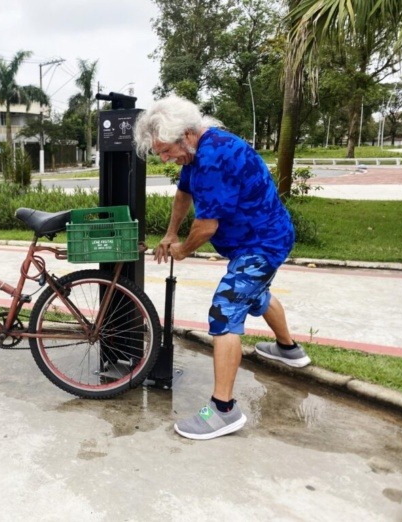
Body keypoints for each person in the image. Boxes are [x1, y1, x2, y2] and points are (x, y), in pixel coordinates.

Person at [133, 95, 311, 441]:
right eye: (160, 153)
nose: (167, 159)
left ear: (186, 134)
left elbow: (206, 227)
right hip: (254, 241)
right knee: (254, 296)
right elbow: (183, 194)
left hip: (263, 243)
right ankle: (289, 350)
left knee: (225, 308)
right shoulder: (196, 154)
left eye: (167, 150)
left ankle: (223, 410)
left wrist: (182, 249)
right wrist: (170, 232)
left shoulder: (215, 156)